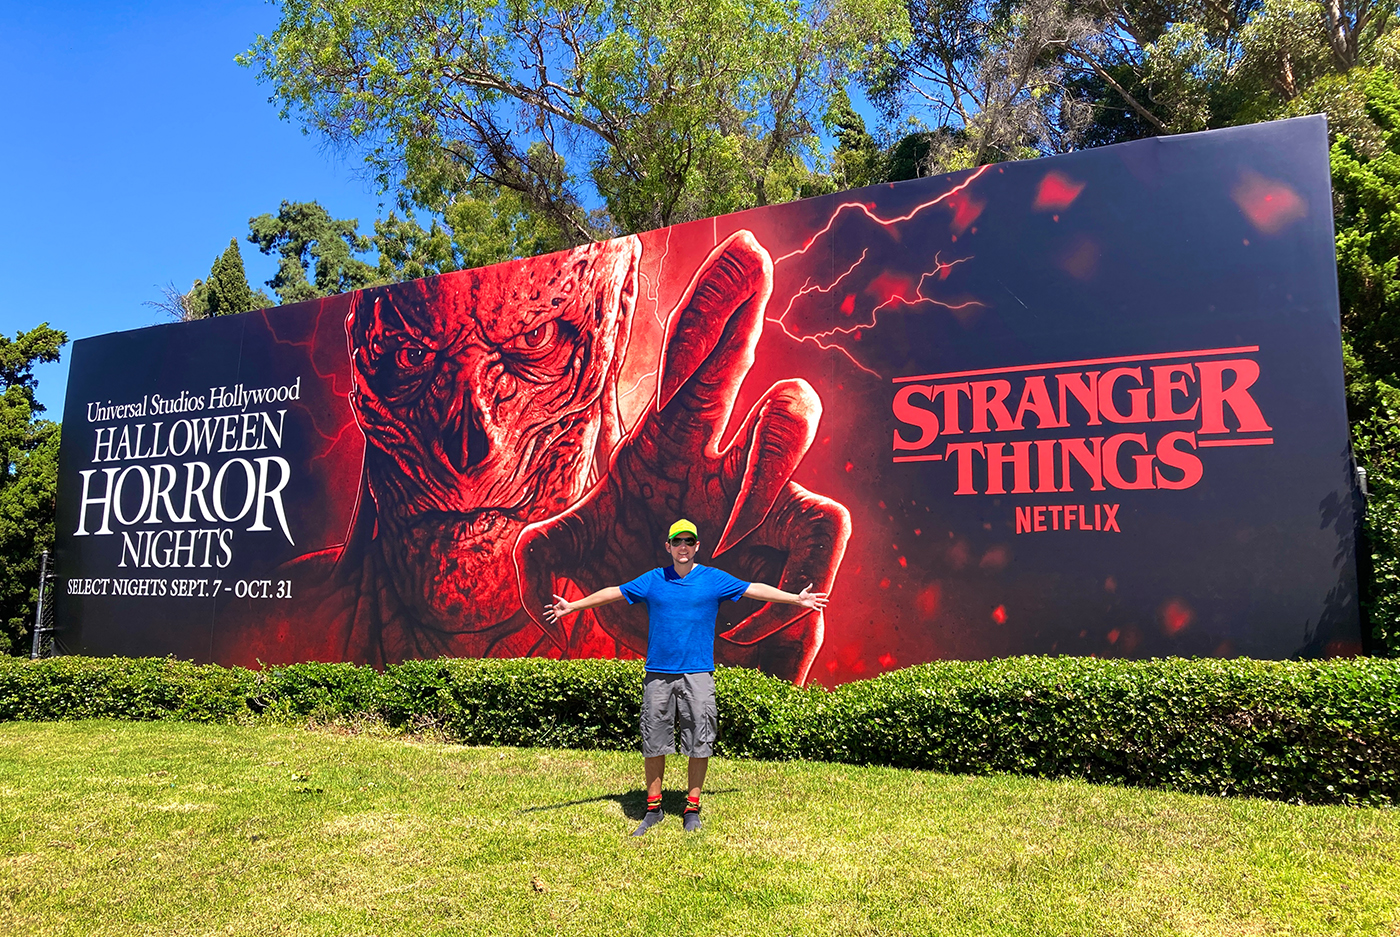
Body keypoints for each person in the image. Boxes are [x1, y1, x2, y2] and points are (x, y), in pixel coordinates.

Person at [544, 519, 830, 835]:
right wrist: (573, 606)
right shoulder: (653, 580)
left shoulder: (713, 579)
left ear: (697, 547)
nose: (683, 547)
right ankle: (653, 809)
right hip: (658, 675)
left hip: (698, 674)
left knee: (700, 740)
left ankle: (691, 809)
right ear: (668, 547)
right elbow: (614, 592)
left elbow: (753, 589)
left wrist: (795, 598)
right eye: (677, 542)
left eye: (688, 542)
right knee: (654, 741)